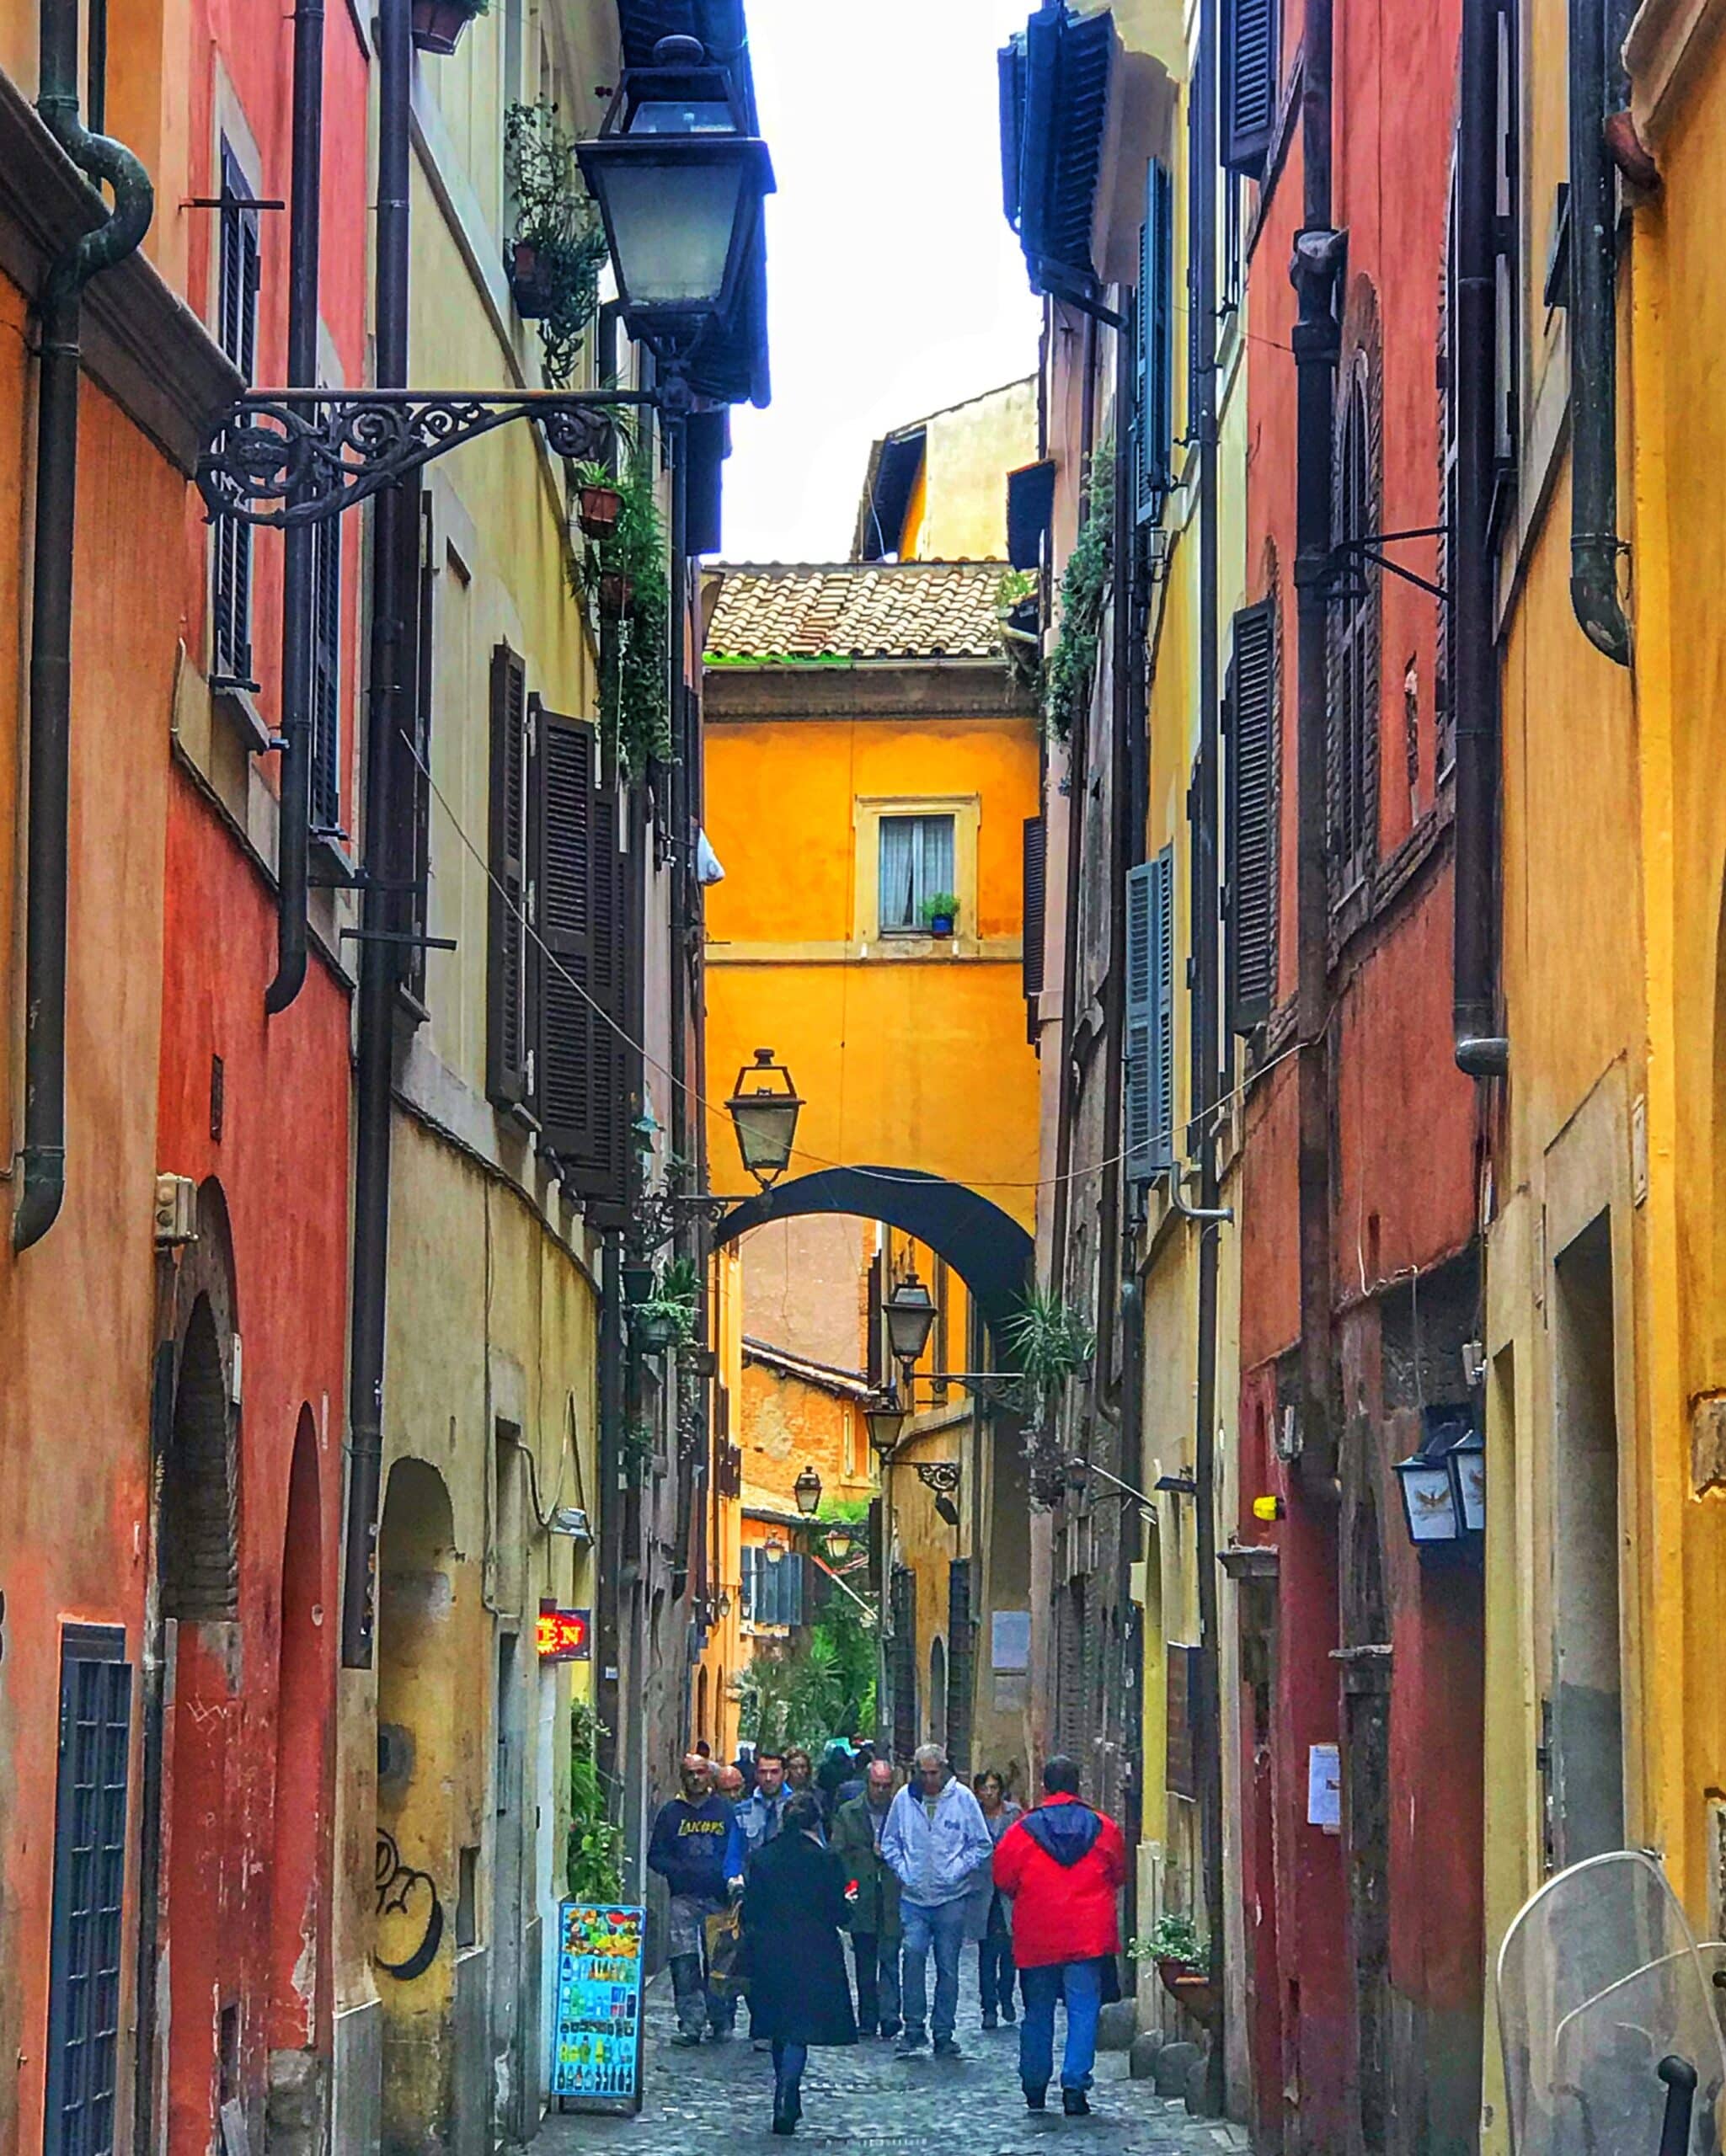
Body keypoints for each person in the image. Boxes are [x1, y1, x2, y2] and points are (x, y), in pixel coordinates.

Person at [991, 1754, 1128, 2117]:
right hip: (1087, 1933)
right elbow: (1118, 1872)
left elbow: (1004, 1878)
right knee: (1084, 2009)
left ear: (1045, 1786)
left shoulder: (1022, 1831)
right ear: (1078, 1785)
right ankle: (1074, 2084)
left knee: (1037, 2011)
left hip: (1038, 1935)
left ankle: (1035, 2084)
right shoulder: (1103, 1827)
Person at [740, 1790, 858, 2134]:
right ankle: (787, 2091)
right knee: (798, 2030)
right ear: (814, 1823)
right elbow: (840, 1913)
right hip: (814, 1953)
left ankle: (785, 2091)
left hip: (770, 1952)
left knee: (780, 2026)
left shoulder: (762, 1859)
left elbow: (752, 1909)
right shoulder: (826, 1861)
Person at [880, 1742, 993, 2059]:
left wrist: (956, 1871)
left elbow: (982, 1844)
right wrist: (905, 1872)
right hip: (914, 1898)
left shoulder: (963, 1800)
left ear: (943, 1769)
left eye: (934, 1773)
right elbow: (889, 1843)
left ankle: (944, 2031)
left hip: (951, 1898)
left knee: (948, 1967)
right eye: (923, 1773)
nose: (929, 1780)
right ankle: (913, 2027)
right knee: (912, 1956)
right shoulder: (904, 1799)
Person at [646, 1754, 735, 2046]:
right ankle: (690, 2023)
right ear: (682, 1777)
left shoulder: (724, 1811)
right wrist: (678, 1870)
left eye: (700, 1772)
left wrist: (729, 1875)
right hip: (682, 1898)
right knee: (684, 1963)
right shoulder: (671, 1814)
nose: (696, 1778)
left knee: (720, 1964)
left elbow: (737, 1848)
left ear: (709, 1777)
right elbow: (655, 1856)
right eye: (690, 1773)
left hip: (718, 1899)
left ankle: (721, 2020)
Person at [831, 1758, 903, 2037]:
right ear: (867, 1783)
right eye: (876, 1785)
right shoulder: (849, 1813)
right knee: (864, 1960)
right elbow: (838, 1852)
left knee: (889, 1956)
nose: (881, 1791)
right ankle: (867, 2017)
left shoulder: (901, 1811)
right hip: (861, 1894)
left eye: (886, 1785)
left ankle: (889, 2015)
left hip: (892, 1895)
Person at [970, 1770, 1023, 2029]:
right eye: (984, 1788)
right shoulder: (972, 1815)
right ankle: (988, 2006)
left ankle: (1006, 1996)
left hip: (1009, 1892)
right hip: (982, 1892)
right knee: (987, 1953)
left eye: (993, 1787)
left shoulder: (1014, 1814)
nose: (989, 1793)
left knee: (1010, 1952)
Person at [724, 1749, 791, 1890]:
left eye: (774, 1772)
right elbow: (734, 1854)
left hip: (791, 1887)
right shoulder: (742, 1812)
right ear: (755, 1775)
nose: (768, 1778)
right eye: (762, 1772)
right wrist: (734, 1881)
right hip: (753, 1887)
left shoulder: (800, 1807)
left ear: (785, 1775)